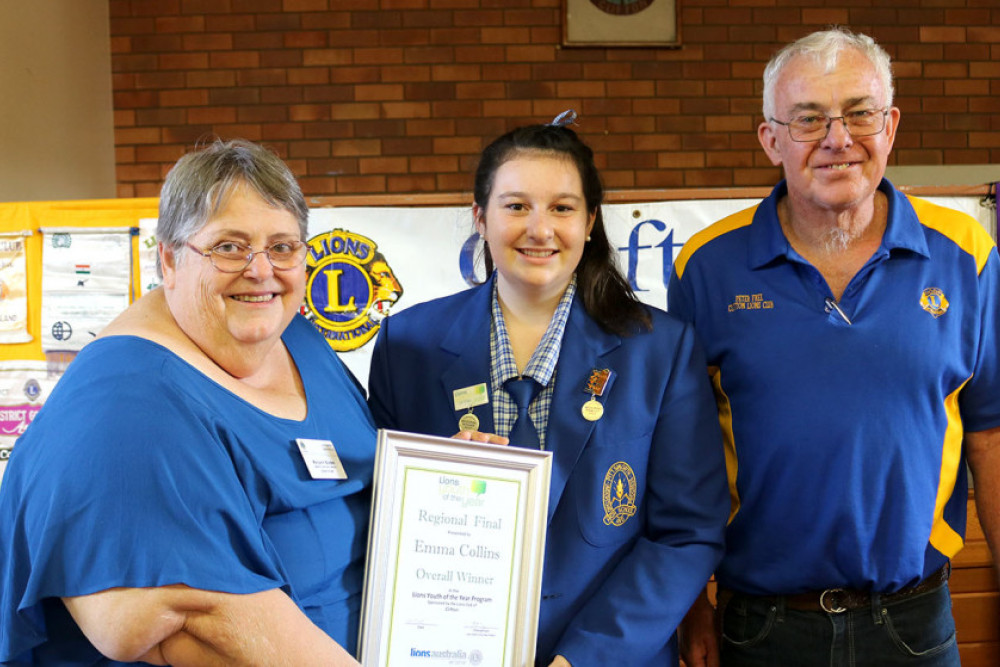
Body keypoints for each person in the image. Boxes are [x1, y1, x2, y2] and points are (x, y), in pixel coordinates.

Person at [668, 28, 1000, 667]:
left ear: (891, 125)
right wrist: (692, 605)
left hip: (915, 624)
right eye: (809, 119)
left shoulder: (969, 256)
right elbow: (681, 450)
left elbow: (990, 435)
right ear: (771, 140)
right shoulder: (706, 268)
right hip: (759, 628)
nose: (838, 139)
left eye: (859, 113)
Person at [367, 113, 730, 667]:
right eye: (515, 206)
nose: (540, 229)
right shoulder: (406, 345)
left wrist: (582, 660)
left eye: (562, 207)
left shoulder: (661, 349)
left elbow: (686, 534)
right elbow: (381, 521)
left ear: (589, 223)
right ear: (480, 219)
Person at [0, 140, 373, 665]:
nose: (261, 270)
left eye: (283, 247)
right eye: (229, 246)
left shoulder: (300, 340)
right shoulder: (125, 403)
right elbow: (191, 619)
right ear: (169, 259)